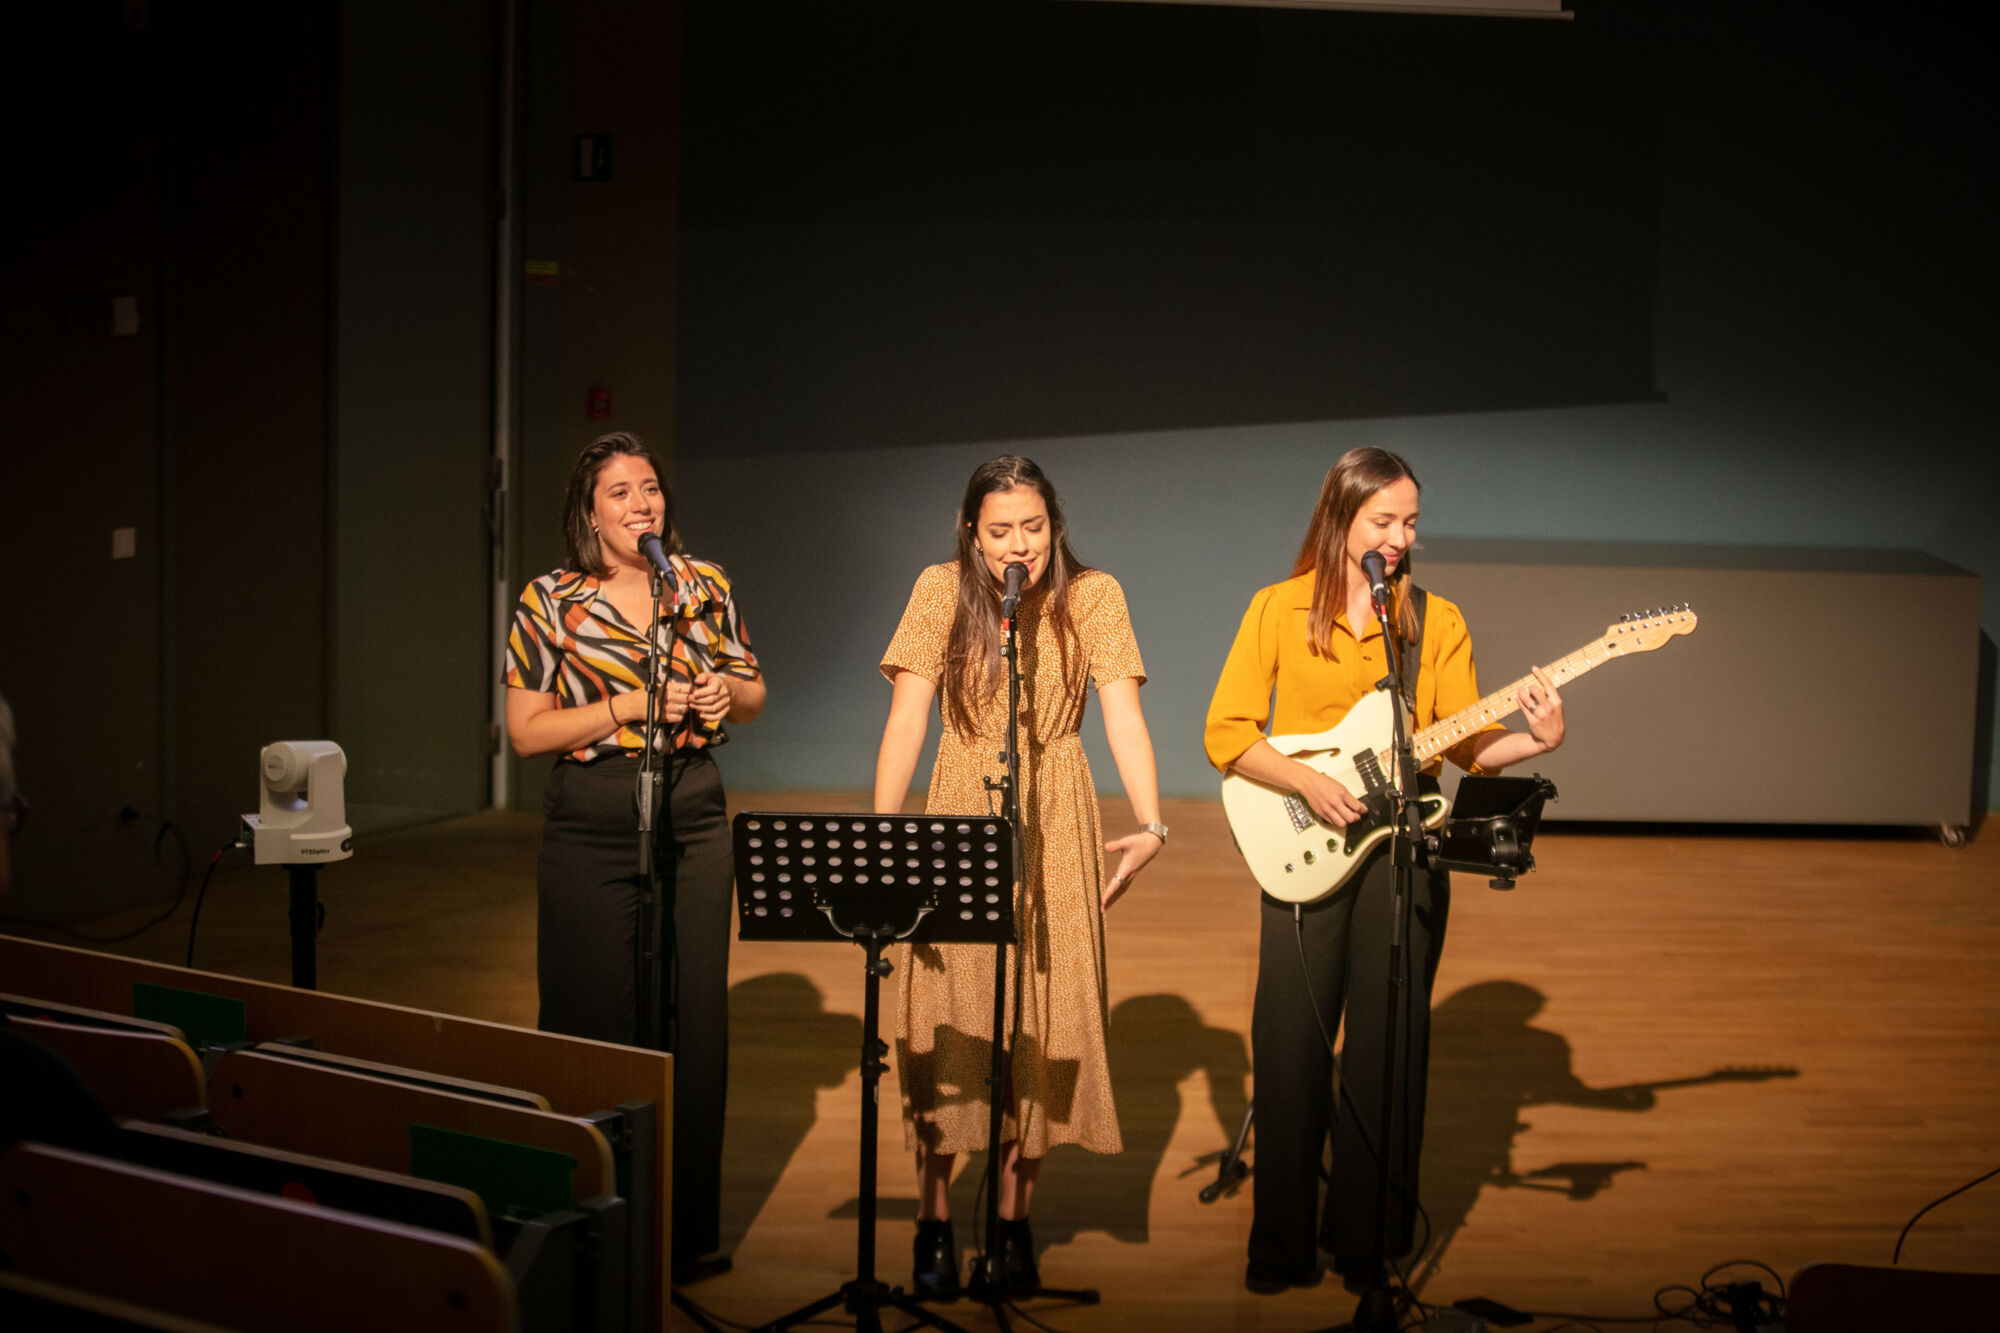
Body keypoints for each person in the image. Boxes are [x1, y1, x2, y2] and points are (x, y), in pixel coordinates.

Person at [1203, 447, 1567, 1298]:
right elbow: (1227, 730)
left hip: (1403, 852)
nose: (1400, 538)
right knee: (1290, 1049)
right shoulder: (1279, 608)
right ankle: (1282, 1244)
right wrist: (1308, 781)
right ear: (1341, 517)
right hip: (1306, 846)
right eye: (1383, 521)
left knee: (1389, 1050)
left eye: (1410, 522)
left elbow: (1466, 744)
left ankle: (1367, 1242)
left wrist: (1536, 740)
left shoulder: (1434, 620)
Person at [873, 455, 1165, 1298]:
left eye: (1033, 528)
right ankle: (933, 1221)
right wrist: (885, 836)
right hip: (961, 801)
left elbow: (1124, 717)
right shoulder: (941, 590)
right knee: (951, 1011)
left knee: (1048, 1012)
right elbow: (906, 719)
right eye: (1000, 530)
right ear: (972, 532)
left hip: (1057, 815)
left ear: (1055, 526)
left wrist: (1151, 822)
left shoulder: (1094, 595)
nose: (1019, 545)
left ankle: (1011, 1223)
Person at [504, 431, 765, 1282]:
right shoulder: (551, 599)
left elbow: (754, 691)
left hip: (690, 809)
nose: (641, 504)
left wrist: (729, 692)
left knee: (693, 1019)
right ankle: (587, 1229)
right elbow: (526, 729)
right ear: (590, 511)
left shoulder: (702, 584)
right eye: (620, 492)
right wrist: (625, 703)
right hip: (593, 816)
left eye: (649, 488)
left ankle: (684, 1233)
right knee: (593, 1015)